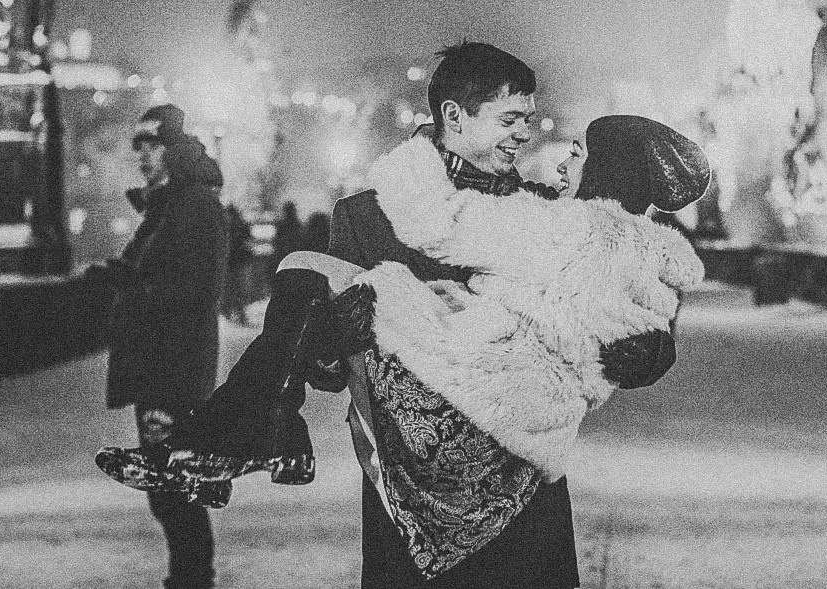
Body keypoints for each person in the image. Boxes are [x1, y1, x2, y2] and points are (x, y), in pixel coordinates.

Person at [97, 44, 678, 587]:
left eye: (527, 118)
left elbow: (623, 303)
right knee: (309, 274)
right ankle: (248, 428)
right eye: (509, 119)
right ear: (455, 116)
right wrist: (332, 337)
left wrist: (649, 348)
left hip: (517, 479)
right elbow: (326, 365)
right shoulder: (368, 218)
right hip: (406, 478)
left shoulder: (544, 211)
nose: (525, 134)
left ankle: (250, 430)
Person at [323, 113, 710, 483]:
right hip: (541, 445)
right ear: (454, 117)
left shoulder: (552, 223)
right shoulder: (647, 249)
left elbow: (439, 223)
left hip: (464, 425)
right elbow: (649, 318)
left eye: (576, 154)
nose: (560, 164)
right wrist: (653, 346)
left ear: (606, 169)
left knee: (343, 278)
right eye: (508, 120)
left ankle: (275, 418)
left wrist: (412, 155)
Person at [100, 103, 228, 589]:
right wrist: (120, 278)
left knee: (173, 490)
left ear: (171, 150)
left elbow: (198, 288)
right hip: (163, 368)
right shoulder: (172, 205)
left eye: (149, 145)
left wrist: (132, 291)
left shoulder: (192, 205)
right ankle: (190, 578)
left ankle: (193, 581)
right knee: (168, 489)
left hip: (172, 372)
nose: (141, 156)